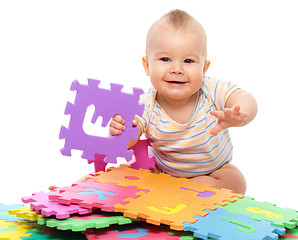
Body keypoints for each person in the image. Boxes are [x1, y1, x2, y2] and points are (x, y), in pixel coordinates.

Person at [109, 9, 258, 194]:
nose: (177, 69)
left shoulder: (211, 89)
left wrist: (240, 114)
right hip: (163, 174)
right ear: (147, 66)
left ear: (204, 68)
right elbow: (130, 138)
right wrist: (122, 129)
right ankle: (181, 193)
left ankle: (190, 190)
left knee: (236, 181)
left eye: (188, 61)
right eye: (165, 59)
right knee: (134, 174)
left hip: (214, 171)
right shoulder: (146, 103)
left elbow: (243, 97)